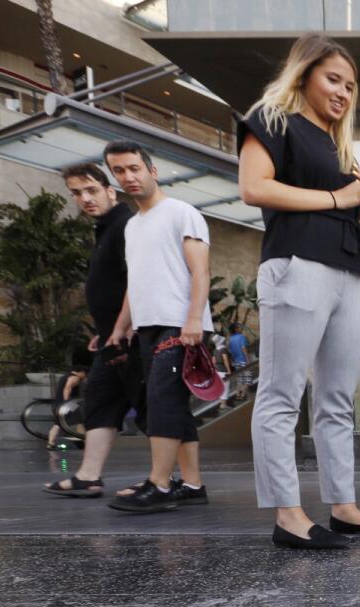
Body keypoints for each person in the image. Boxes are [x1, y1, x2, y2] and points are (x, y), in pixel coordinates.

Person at [238, 32, 360, 548]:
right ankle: (288, 514)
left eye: (351, 86)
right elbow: (254, 187)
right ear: (304, 73)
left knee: (337, 398)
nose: (343, 93)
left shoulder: (337, 146)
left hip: (351, 271)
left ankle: (344, 507)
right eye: (334, 79)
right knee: (282, 395)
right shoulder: (272, 118)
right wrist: (339, 195)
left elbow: (343, 216)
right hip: (297, 264)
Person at [101, 141, 213, 515]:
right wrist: (119, 328)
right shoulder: (132, 227)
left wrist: (193, 320)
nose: (128, 176)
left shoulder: (182, 212)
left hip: (179, 325)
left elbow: (200, 270)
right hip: (148, 328)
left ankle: (160, 484)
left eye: (134, 168)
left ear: (152, 171)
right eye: (119, 171)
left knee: (163, 403)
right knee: (171, 406)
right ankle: (192, 485)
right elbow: (136, 283)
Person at [44, 163, 142, 497]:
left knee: (154, 407)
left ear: (109, 191)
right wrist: (105, 331)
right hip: (111, 339)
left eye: (91, 190)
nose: (84, 198)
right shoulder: (105, 229)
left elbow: (137, 280)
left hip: (131, 337)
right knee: (99, 402)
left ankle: (178, 481)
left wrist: (121, 327)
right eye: (76, 193)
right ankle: (88, 476)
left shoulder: (125, 225)